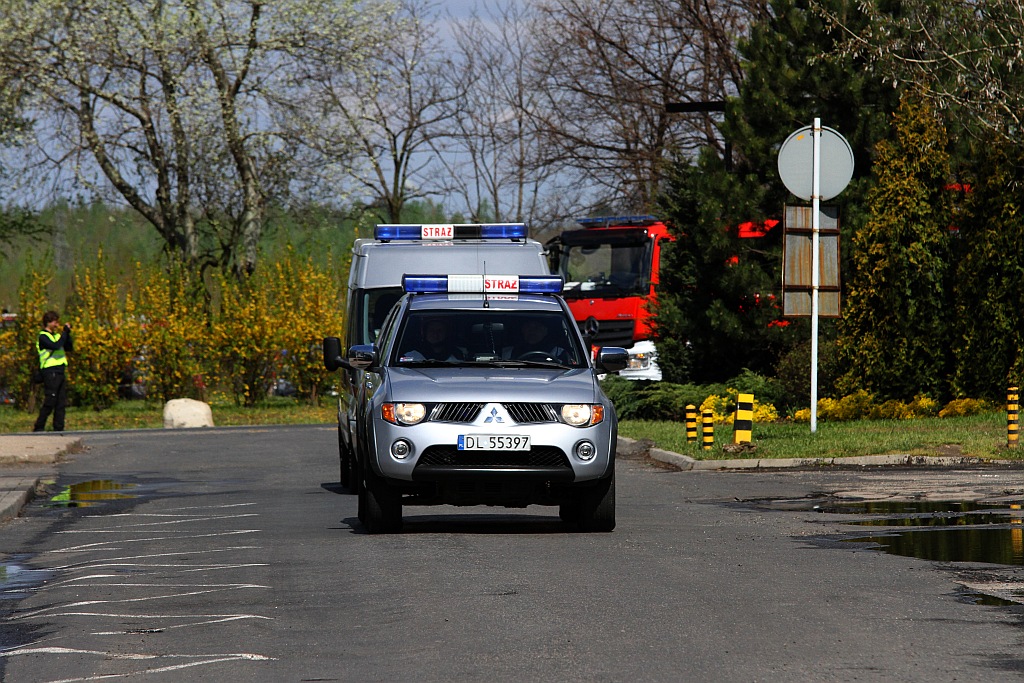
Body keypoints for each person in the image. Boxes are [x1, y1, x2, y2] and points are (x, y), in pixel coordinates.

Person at [33, 310, 73, 433]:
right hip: (50, 371)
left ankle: (59, 428)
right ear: (48, 322)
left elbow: (69, 347)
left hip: (60, 370)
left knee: (61, 401)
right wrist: (64, 333)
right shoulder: (43, 336)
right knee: (51, 399)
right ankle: (39, 426)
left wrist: (67, 334)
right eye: (55, 322)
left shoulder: (57, 336)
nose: (57, 325)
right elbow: (55, 346)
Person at [503, 317, 572, 363]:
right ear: (522, 330)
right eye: (528, 327)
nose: (532, 331)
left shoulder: (559, 353)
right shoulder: (507, 353)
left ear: (545, 331)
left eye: (537, 327)